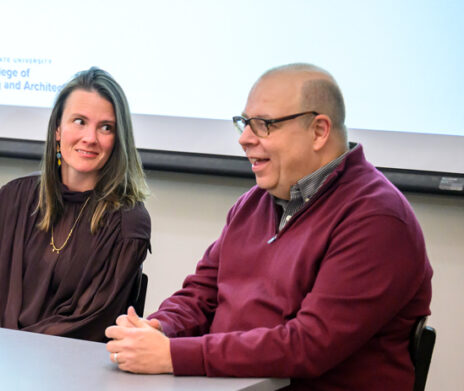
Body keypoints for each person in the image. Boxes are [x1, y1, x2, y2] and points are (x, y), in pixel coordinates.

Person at [105, 64, 432, 390]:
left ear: (319, 131)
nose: (244, 139)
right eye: (244, 123)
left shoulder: (378, 219)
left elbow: (309, 345)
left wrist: (173, 356)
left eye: (263, 125)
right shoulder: (253, 204)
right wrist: (158, 329)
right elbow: (201, 295)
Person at [0, 67, 151, 342]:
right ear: (58, 129)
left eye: (105, 127)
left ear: (118, 139)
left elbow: (88, 326)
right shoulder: (13, 198)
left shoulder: (127, 223)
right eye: (79, 121)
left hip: (67, 362)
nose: (90, 138)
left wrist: (13, 349)